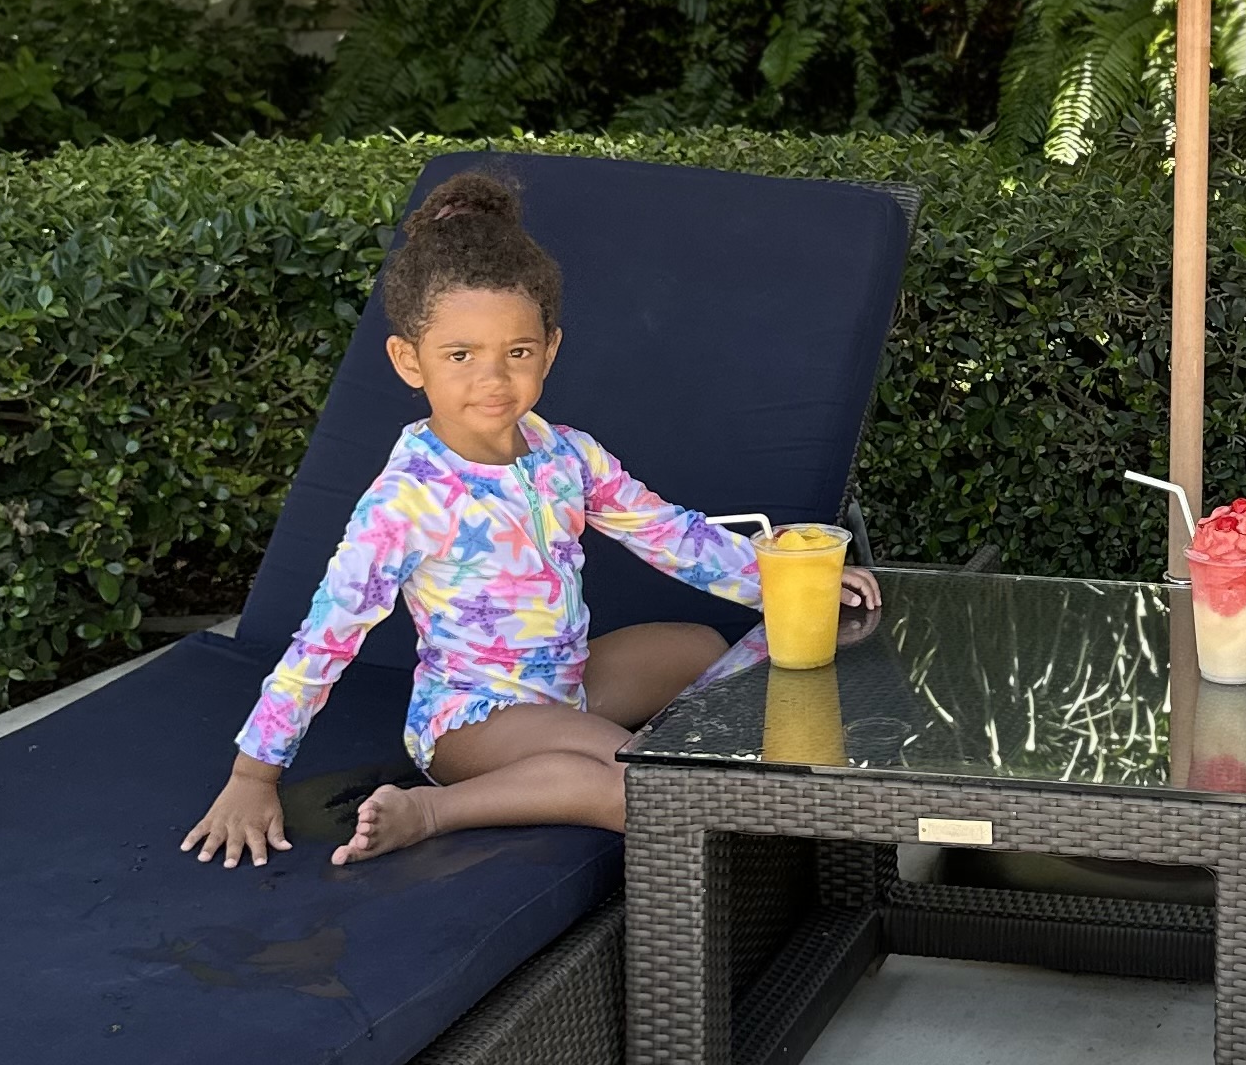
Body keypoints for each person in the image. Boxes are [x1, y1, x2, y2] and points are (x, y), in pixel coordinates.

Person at [180, 169, 874, 870]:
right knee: (644, 787)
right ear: (408, 360)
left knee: (699, 647)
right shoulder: (407, 499)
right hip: (470, 721)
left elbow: (667, 532)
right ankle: (433, 810)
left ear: (550, 348)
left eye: (517, 352)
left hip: (568, 685)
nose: (493, 379)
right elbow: (324, 639)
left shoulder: (566, 453)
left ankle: (595, 753)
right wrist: (252, 777)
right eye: (460, 356)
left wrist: (789, 580)